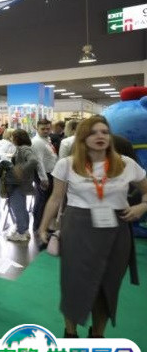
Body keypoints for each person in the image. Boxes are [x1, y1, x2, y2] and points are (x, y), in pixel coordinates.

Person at [38, 116, 147, 338]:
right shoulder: (67, 164)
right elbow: (55, 198)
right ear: (82, 138)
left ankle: (97, 335)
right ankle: (70, 334)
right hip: (77, 229)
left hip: (116, 231)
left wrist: (143, 206)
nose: (100, 136)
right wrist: (43, 227)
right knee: (73, 283)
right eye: (93, 132)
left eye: (104, 132)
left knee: (108, 285)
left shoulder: (126, 163)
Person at [4, 129, 40, 242]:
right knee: (21, 207)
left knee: (17, 207)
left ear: (17, 138)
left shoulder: (24, 149)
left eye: (12, 137)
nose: (11, 139)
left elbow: (33, 161)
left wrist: (21, 169)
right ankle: (24, 230)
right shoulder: (23, 148)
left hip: (19, 183)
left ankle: (22, 232)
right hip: (22, 183)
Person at [32, 118, 58, 231]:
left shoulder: (46, 139)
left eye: (48, 128)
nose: (46, 131)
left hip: (50, 174)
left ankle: (44, 226)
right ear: (37, 128)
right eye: (43, 129)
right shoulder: (37, 142)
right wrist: (44, 179)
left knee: (46, 201)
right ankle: (38, 227)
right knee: (41, 202)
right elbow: (38, 162)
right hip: (44, 175)